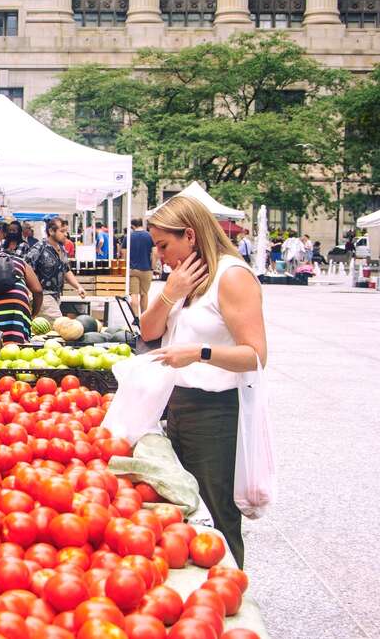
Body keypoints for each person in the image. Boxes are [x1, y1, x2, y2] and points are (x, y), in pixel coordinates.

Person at [140, 195, 267, 568]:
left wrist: (200, 352)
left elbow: (257, 355)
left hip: (216, 414)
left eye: (164, 245)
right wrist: (169, 293)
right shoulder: (184, 276)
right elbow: (149, 331)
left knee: (218, 515)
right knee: (187, 511)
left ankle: (232, 599)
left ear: (190, 236)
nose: (160, 255)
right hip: (179, 405)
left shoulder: (232, 276)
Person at [0, 221, 43, 343]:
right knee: (16, 345)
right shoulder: (20, 262)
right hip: (16, 301)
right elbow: (38, 290)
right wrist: (33, 314)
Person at [26, 217, 86, 319]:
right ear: (51, 231)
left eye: (66, 231)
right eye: (62, 231)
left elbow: (66, 270)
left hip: (56, 296)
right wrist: (30, 293)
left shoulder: (61, 249)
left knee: (49, 330)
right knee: (60, 324)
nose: (66, 234)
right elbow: (25, 269)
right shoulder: (39, 248)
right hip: (43, 296)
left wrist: (78, 287)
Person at [121, 218, 157, 317]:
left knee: (134, 295)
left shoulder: (128, 237)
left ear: (132, 226)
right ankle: (144, 316)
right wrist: (152, 267)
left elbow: (123, 253)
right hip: (146, 269)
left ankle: (136, 318)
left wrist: (125, 266)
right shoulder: (150, 236)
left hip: (132, 270)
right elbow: (155, 252)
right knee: (144, 294)